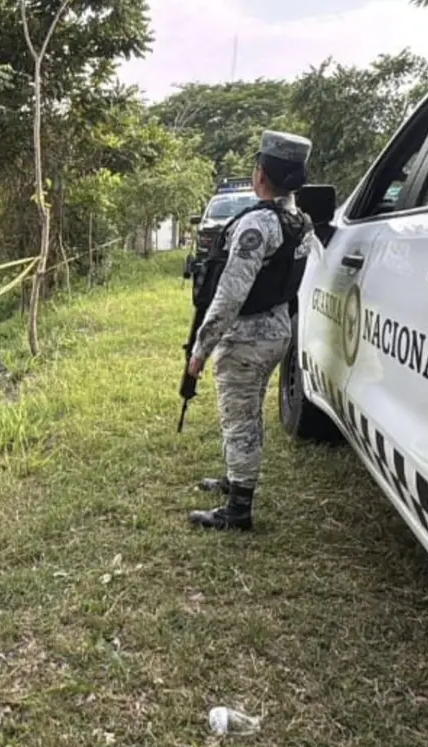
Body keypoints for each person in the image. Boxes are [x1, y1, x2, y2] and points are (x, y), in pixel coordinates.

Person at [184, 130, 315, 531]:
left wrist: (200, 349)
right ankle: (234, 479)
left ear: (261, 174)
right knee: (249, 411)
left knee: (239, 418)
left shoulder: (258, 225)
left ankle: (238, 509)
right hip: (277, 330)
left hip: (247, 339)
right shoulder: (298, 219)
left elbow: (229, 295)